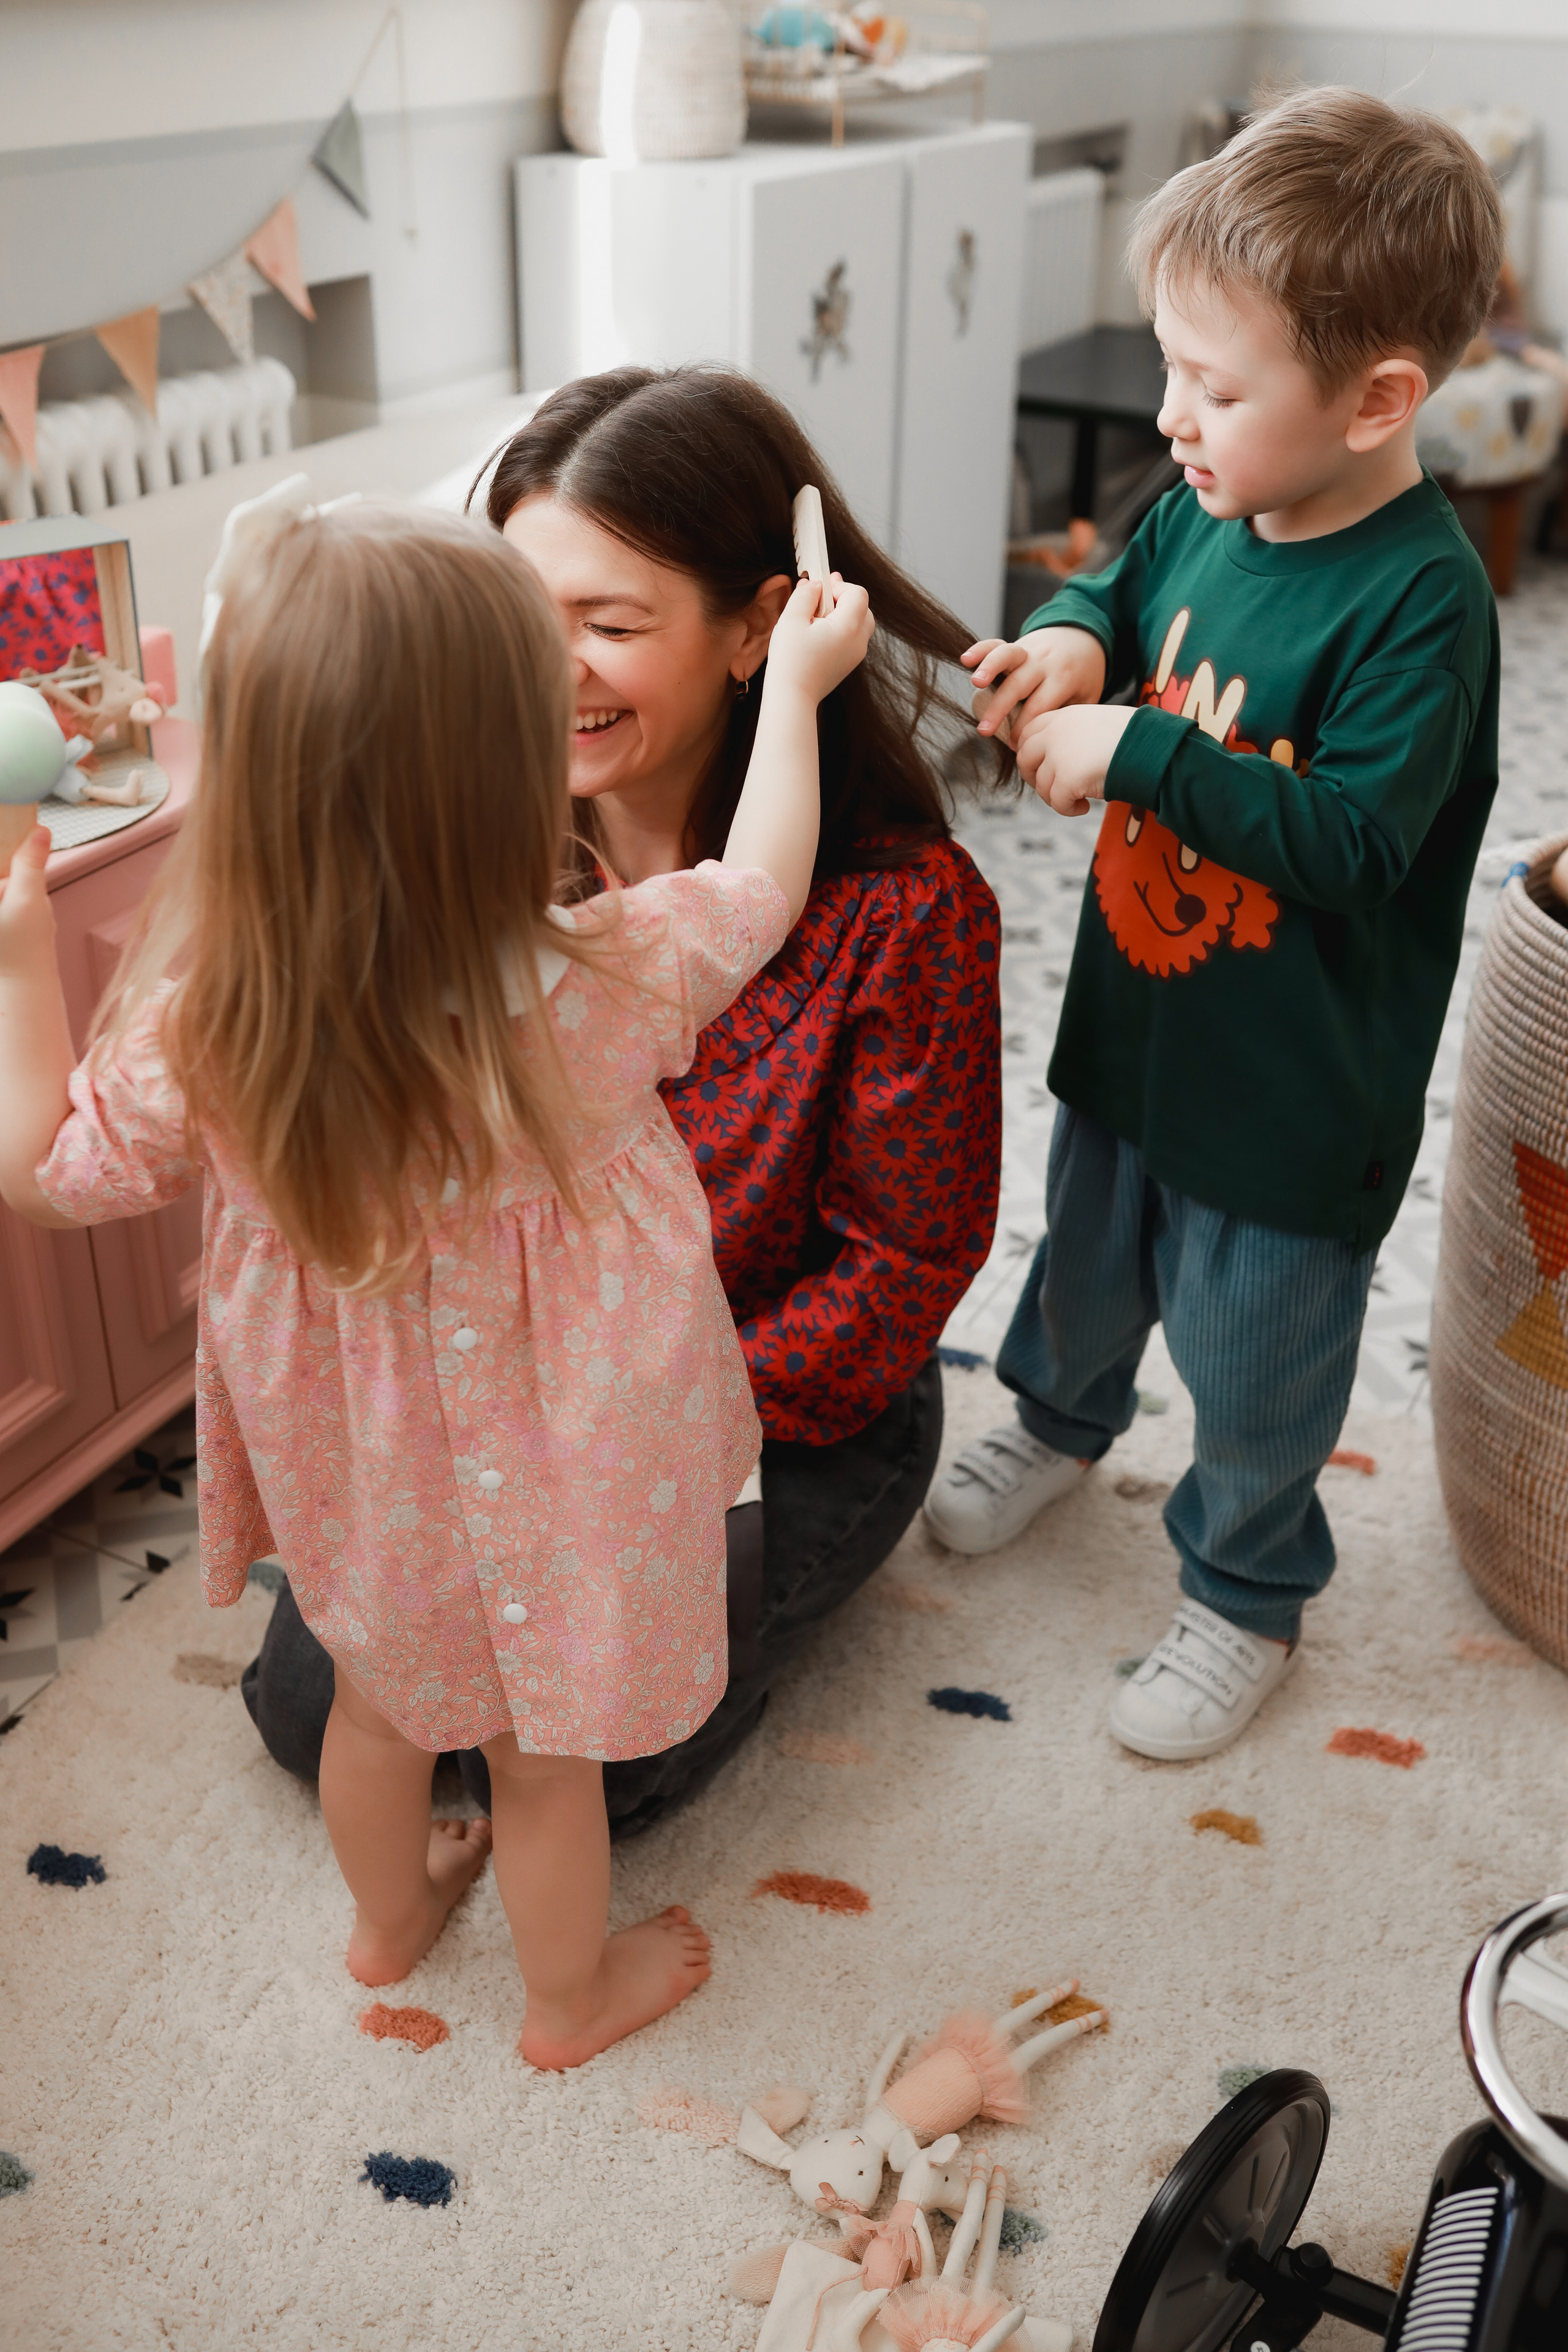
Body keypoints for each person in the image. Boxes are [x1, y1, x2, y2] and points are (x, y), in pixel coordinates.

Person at [0, 499, 873, 2067]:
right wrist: (794, 694)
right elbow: (765, 886)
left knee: (377, 1708)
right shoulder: (598, 974)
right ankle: (566, 2004)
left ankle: (385, 1923)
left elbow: (45, 1177)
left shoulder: (212, 1023)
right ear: (504, 765)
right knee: (544, 1763)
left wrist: (14, 971)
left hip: (366, 1480)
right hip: (568, 1459)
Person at [241, 366, 1005, 1835]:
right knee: (316, 1719)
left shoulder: (907, 913)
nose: (555, 673)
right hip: (501, 1404)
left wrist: (623, 1432)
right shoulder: (471, 859)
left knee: (602, 1771)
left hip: (771, 1421)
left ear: (759, 631)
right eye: (520, 620)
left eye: (608, 626)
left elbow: (897, 1274)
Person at [925, 88, 1504, 1760]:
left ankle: (1247, 1594)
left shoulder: (1422, 603)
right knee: (1083, 1269)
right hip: (1142, 1033)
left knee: (1257, 1379)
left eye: (1220, 385)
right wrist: (1076, 648)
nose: (1175, 415)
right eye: (1176, 369)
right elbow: (1117, 577)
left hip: (1292, 1099)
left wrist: (1146, 752)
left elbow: (1347, 841)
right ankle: (1053, 1424)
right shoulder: (1212, 502)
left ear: (1378, 399)